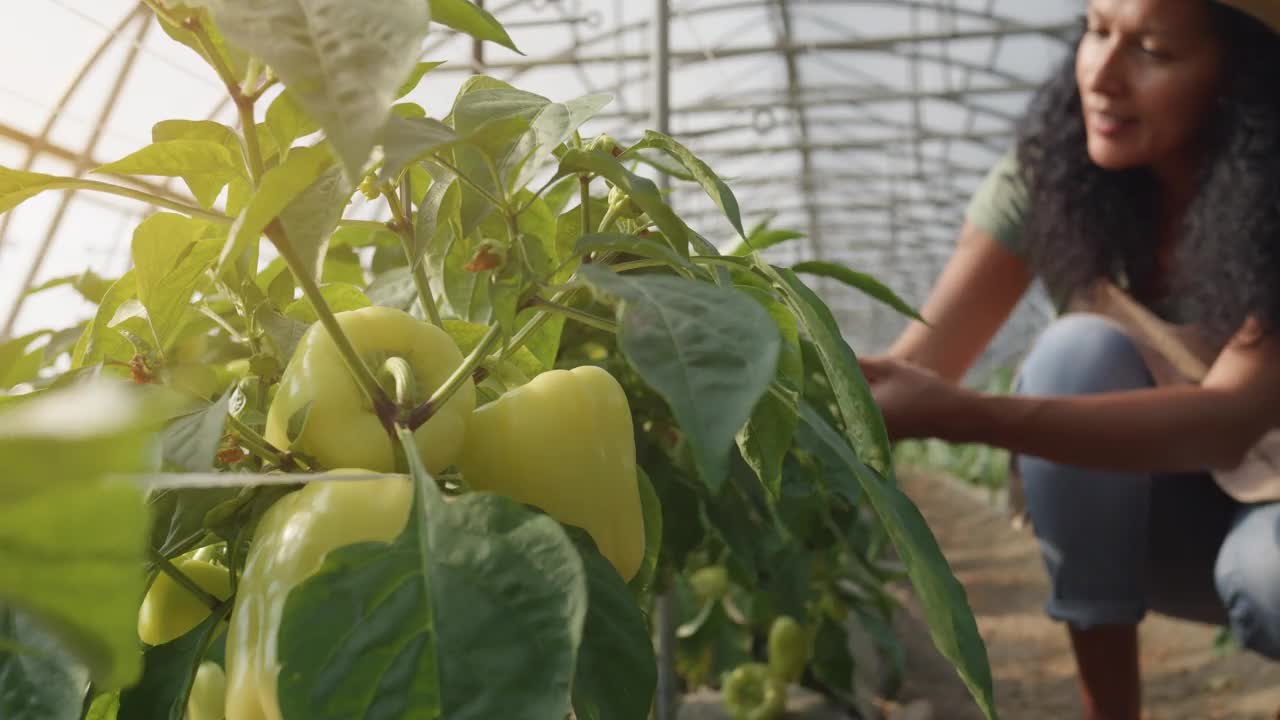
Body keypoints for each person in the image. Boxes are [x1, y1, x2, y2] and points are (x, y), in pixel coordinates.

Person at [858, 0, 1280, 718]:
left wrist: (971, 417)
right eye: (1096, 29)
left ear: (1238, 76)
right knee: (1075, 356)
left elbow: (1229, 420)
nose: (1102, 74)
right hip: (1169, 513)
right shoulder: (1051, 174)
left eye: (1153, 49)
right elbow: (922, 359)